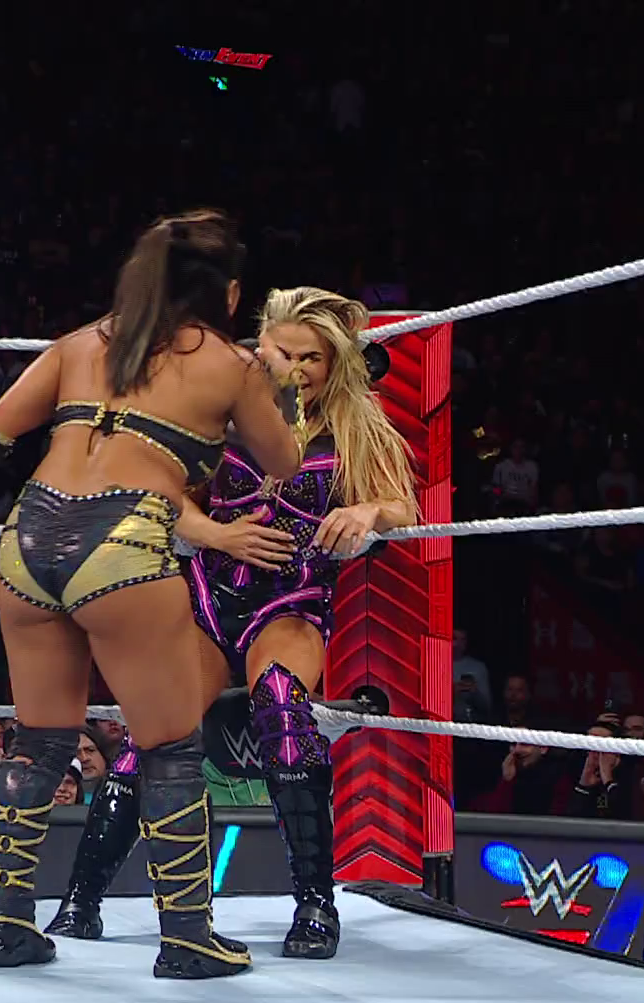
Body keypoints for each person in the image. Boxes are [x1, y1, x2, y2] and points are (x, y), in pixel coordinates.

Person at [0, 211, 302, 977]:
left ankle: (7, 925)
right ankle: (187, 936)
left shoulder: (82, 342)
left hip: (27, 539)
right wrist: (278, 383)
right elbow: (285, 460)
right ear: (228, 293)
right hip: (121, 542)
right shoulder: (230, 364)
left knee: (39, 740)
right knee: (170, 748)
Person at [47, 287, 416, 962]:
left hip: (291, 601)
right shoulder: (218, 412)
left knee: (282, 705)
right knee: (155, 726)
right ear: (259, 349)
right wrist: (218, 533)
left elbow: (402, 505)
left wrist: (368, 513)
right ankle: (81, 898)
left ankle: (315, 905)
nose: (296, 369)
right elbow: (165, 498)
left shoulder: (356, 428)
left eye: (312, 358)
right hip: (209, 597)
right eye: (285, 353)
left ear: (335, 364)